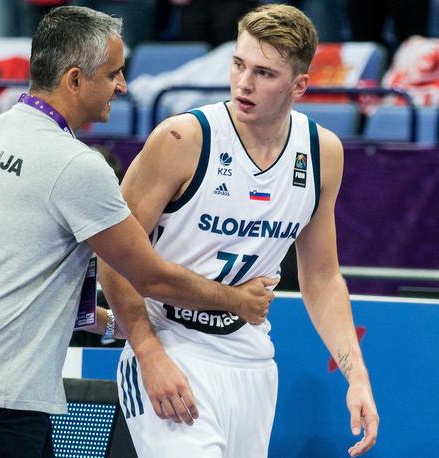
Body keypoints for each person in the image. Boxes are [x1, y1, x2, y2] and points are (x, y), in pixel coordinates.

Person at [0, 6, 276, 457]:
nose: (122, 86)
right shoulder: (75, 166)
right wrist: (238, 301)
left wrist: (113, 325)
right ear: (74, 80)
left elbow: (18, 275)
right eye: (113, 74)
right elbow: (151, 277)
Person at [99, 4, 379, 457]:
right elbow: (111, 258)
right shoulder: (182, 140)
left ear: (299, 85)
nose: (245, 83)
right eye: (238, 64)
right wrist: (148, 355)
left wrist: (357, 376)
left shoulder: (322, 152)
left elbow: (322, 279)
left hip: (250, 357)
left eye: (265, 73)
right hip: (171, 343)